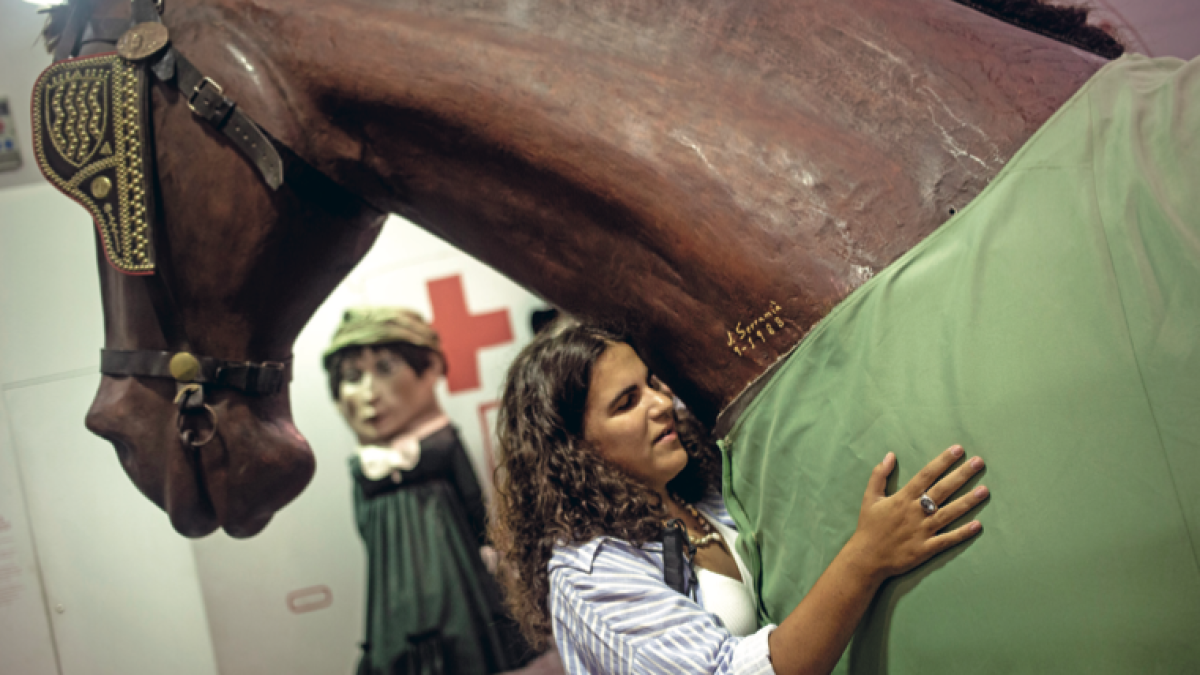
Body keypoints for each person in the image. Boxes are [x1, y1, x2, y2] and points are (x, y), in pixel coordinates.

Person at [489, 322, 990, 674]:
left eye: (652, 384)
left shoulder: (695, 494)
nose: (662, 404)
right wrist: (867, 556)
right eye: (627, 403)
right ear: (573, 451)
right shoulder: (590, 576)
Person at [324, 307, 532, 675]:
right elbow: (364, 527)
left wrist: (488, 549)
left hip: (456, 579)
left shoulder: (442, 441)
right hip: (392, 586)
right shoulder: (364, 465)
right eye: (353, 377)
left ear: (430, 368)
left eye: (386, 368)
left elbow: (472, 502)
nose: (370, 393)